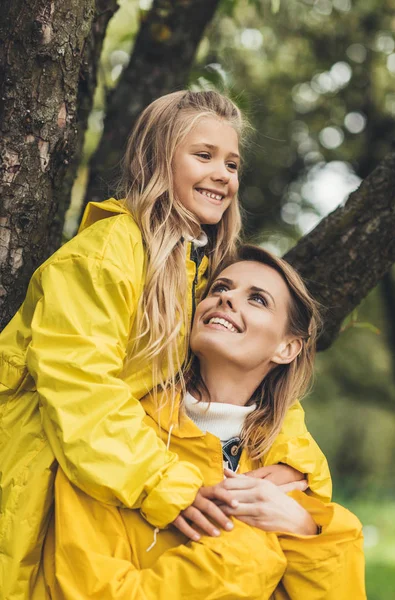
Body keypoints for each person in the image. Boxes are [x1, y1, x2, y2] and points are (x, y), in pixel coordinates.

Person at [0, 91, 327, 600]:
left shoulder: (199, 274)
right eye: (204, 155)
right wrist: (170, 485)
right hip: (46, 464)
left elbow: (262, 389)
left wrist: (294, 468)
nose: (223, 174)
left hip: (118, 465)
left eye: (233, 163)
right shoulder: (103, 257)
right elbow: (80, 389)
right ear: (158, 158)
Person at [35, 246, 365, 599]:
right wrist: (248, 552)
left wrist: (303, 527)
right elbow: (88, 590)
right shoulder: (116, 439)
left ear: (286, 348)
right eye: (220, 288)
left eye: (257, 299)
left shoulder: (291, 468)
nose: (226, 299)